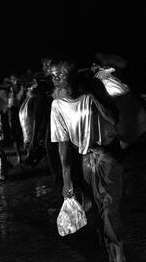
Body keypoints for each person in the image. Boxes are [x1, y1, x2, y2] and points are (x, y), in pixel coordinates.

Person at [50, 59, 125, 262]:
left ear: (72, 75)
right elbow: (63, 144)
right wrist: (66, 181)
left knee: (109, 208)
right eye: (53, 75)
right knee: (95, 210)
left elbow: (113, 118)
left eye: (61, 74)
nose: (56, 78)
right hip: (85, 161)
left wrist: (94, 96)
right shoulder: (57, 105)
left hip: (107, 157)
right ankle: (109, 251)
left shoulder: (91, 92)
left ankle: (118, 253)